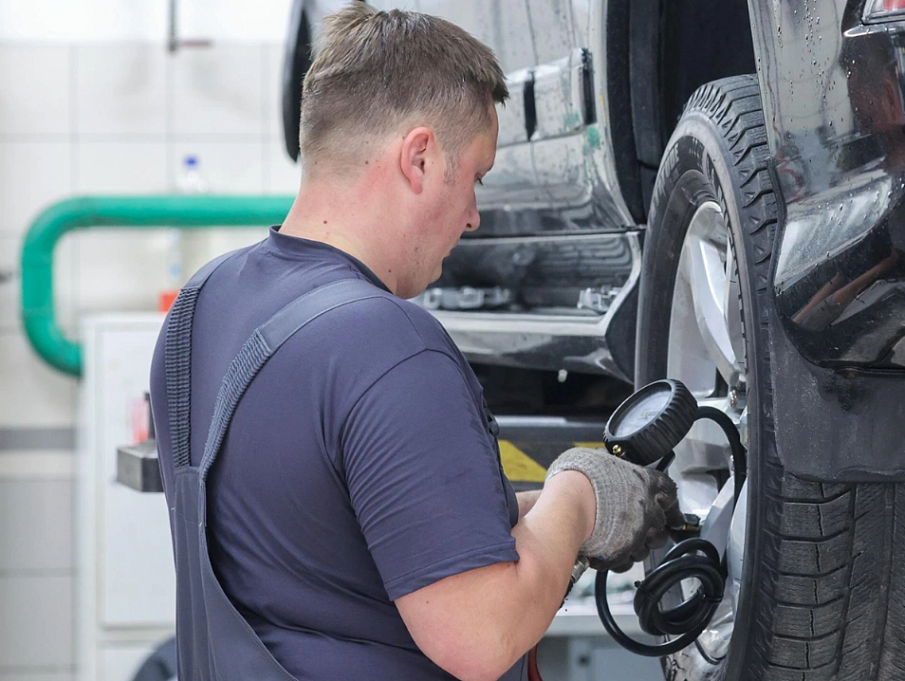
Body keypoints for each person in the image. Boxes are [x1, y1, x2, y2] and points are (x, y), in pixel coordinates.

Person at [147, 5, 680, 681]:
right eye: (476, 177)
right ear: (420, 157)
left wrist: (544, 513)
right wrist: (576, 492)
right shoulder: (388, 346)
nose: (474, 215)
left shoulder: (199, 309)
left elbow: (329, 536)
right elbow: (481, 634)